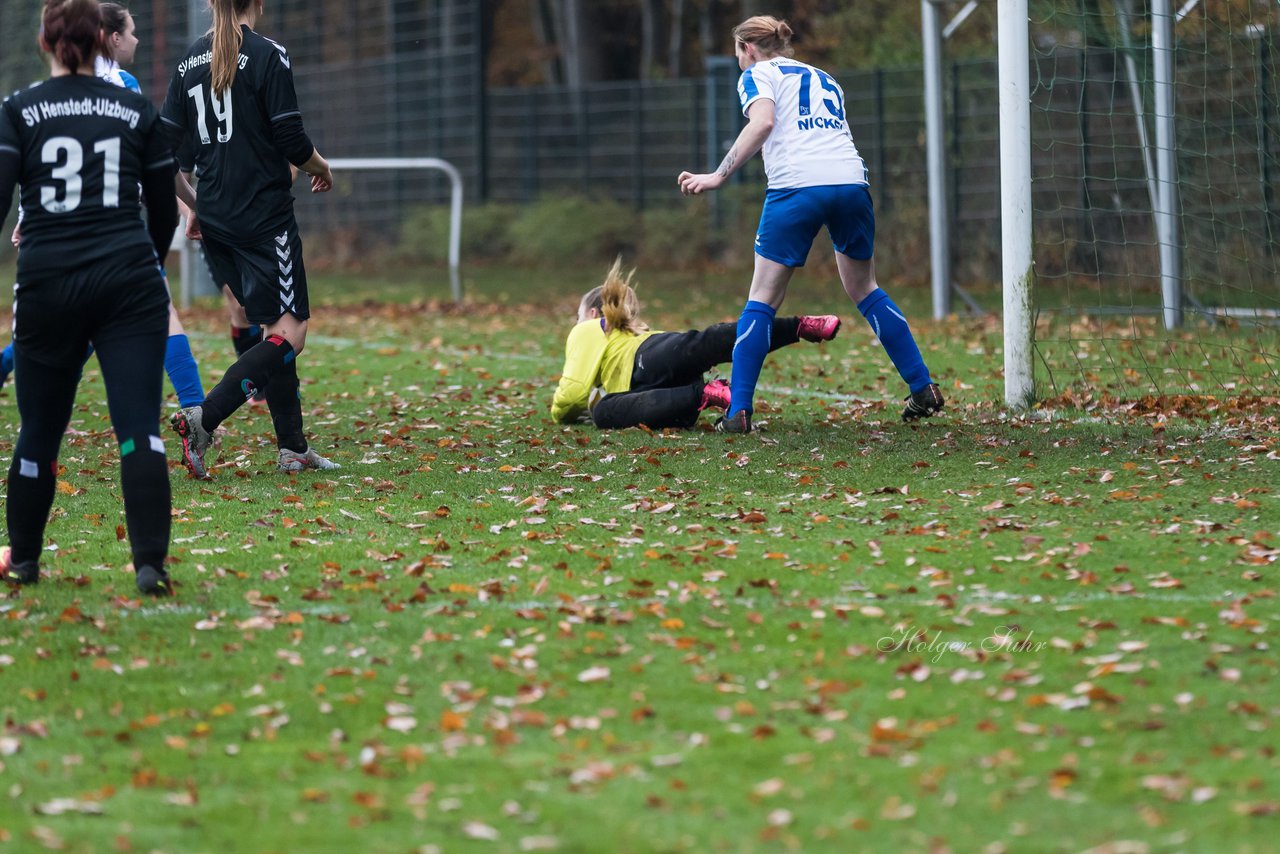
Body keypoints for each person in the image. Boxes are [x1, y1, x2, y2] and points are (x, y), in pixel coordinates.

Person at [677, 15, 945, 433]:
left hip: (797, 187)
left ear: (748, 48)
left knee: (763, 298)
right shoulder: (823, 76)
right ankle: (923, 387)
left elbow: (762, 122)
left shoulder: (758, 73)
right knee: (864, 288)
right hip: (851, 183)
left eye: (737, 53)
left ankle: (738, 411)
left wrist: (718, 175)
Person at [0, 0, 177, 595]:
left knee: (39, 431)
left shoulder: (19, 110)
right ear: (103, 43)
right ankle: (150, 567)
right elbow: (162, 212)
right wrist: (143, 262)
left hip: (49, 282)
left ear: (46, 43)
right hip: (128, 281)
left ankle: (24, 560)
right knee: (137, 431)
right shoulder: (132, 106)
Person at [160, 0, 337, 479]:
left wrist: (195, 205)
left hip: (217, 219)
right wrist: (322, 168)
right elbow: (292, 140)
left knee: (269, 329)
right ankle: (204, 419)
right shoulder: (268, 54)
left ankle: (293, 449)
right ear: (257, 2)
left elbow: (164, 156)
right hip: (263, 219)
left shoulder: (188, 61)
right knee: (291, 334)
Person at [0, 2, 206, 414]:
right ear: (110, 38)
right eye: (130, 32)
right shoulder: (123, 86)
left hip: (56, 234)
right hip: (114, 230)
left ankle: (36, 407)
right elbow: (151, 164)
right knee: (157, 316)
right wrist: (189, 206)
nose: (136, 39)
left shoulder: (42, 95)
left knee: (72, 332)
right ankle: (196, 412)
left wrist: (27, 216)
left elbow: (40, 161)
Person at [552, 259, 841, 430]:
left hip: (646, 359)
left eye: (577, 316)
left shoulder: (588, 328)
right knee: (604, 411)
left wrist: (558, 414)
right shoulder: (632, 332)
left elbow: (571, 393)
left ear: (592, 313)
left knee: (705, 343)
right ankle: (707, 393)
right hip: (656, 380)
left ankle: (798, 326)